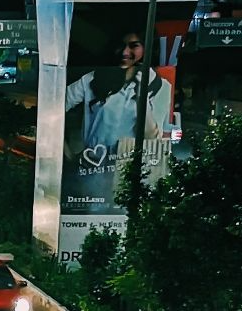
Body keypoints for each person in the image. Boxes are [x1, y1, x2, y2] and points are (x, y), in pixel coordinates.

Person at [61, 30, 172, 211]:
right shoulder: (94, 79)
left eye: (134, 46)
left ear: (147, 48)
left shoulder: (160, 86)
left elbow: (152, 138)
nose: (125, 52)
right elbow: (53, 107)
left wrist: (141, 96)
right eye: (121, 46)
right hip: (92, 171)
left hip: (130, 174)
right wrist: (68, 156)